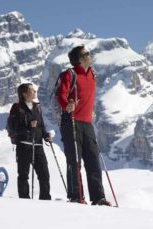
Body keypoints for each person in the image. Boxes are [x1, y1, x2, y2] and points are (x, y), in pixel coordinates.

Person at [57, 45, 111, 206]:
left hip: (87, 123)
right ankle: (76, 196)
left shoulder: (92, 74)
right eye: (87, 54)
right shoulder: (70, 74)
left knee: (93, 160)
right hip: (71, 121)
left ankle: (98, 197)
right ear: (80, 60)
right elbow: (61, 94)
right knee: (74, 160)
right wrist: (67, 104)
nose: (91, 55)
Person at [7, 83, 52, 200]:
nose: (34, 92)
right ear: (24, 94)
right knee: (23, 175)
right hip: (24, 145)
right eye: (32, 90)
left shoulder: (37, 107)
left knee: (44, 174)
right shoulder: (17, 108)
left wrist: (46, 135)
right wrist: (28, 127)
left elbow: (41, 125)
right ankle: (24, 199)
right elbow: (12, 128)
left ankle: (45, 199)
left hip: (38, 145)